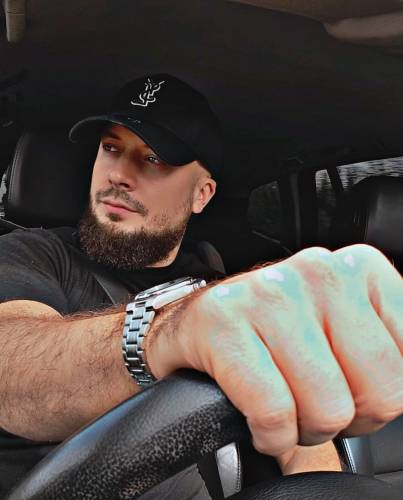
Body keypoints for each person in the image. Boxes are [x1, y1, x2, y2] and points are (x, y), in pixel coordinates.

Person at [0, 74, 401, 498]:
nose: (118, 173)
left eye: (153, 158)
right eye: (111, 147)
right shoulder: (32, 255)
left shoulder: (216, 282)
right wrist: (161, 336)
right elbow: (11, 357)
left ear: (202, 195)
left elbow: (307, 454)